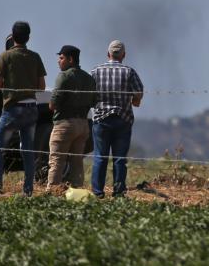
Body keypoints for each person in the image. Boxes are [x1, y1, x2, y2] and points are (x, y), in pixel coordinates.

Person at [0, 21, 46, 195]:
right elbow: (42, 87)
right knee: (28, 150)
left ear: (12, 37)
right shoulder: (35, 57)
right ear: (28, 37)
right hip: (31, 109)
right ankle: (28, 189)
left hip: (12, 109)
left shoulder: (5, 56)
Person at [90, 40, 143, 197]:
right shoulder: (129, 72)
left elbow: (87, 94)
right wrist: (133, 101)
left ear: (108, 54)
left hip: (101, 120)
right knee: (120, 159)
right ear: (124, 55)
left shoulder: (95, 71)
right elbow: (138, 94)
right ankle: (119, 192)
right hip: (123, 120)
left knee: (100, 157)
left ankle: (97, 192)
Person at [46, 45, 97, 191]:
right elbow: (94, 101)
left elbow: (53, 105)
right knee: (77, 162)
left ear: (70, 59)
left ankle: (52, 192)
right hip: (83, 124)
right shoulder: (88, 78)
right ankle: (77, 191)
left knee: (56, 161)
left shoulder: (64, 76)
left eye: (61, 58)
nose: (58, 61)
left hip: (65, 124)